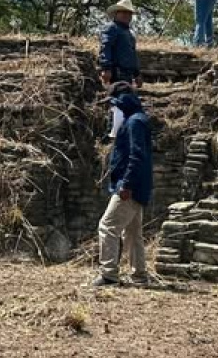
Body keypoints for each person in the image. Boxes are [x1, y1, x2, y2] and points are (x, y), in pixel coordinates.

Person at [93, 82, 153, 287]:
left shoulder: (134, 122)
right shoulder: (136, 120)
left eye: (113, 105)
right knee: (133, 233)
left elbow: (137, 156)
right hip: (137, 186)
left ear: (121, 102)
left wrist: (126, 184)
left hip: (129, 187)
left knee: (107, 226)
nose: (111, 110)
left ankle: (108, 274)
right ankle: (139, 276)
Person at [99, 0, 142, 142]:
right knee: (117, 102)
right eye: (123, 12)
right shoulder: (111, 28)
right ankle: (111, 134)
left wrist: (137, 74)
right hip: (116, 71)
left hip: (127, 73)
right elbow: (106, 48)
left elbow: (132, 55)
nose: (126, 16)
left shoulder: (129, 33)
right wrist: (106, 67)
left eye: (129, 13)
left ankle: (119, 132)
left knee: (124, 102)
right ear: (116, 13)